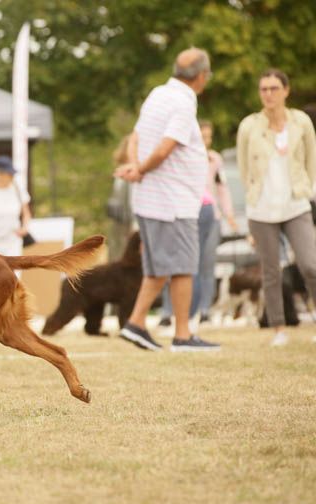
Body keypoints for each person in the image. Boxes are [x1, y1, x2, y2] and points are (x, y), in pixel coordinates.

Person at [115, 48, 220, 352]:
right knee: (183, 267)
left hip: (151, 199)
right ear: (201, 76)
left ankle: (135, 324)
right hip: (173, 203)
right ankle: (183, 336)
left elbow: (135, 137)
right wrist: (142, 168)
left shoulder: (158, 94)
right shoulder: (183, 103)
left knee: (158, 268)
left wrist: (136, 167)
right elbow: (164, 149)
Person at [237, 68, 316, 347]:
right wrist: (252, 197)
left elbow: (311, 161)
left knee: (310, 264)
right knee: (271, 271)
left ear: (286, 90)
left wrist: (307, 190)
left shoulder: (301, 122)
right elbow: (244, 166)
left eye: (273, 88)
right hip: (262, 209)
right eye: (264, 89)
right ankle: (278, 329)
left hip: (296, 204)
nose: (268, 94)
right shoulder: (249, 125)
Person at [158, 120, 239, 326]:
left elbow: (222, 188)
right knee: (178, 265)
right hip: (185, 215)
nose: (206, 141)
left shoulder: (214, 159)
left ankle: (204, 310)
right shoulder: (181, 156)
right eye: (202, 137)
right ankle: (168, 312)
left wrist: (228, 214)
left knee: (206, 265)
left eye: (208, 137)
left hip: (211, 216)